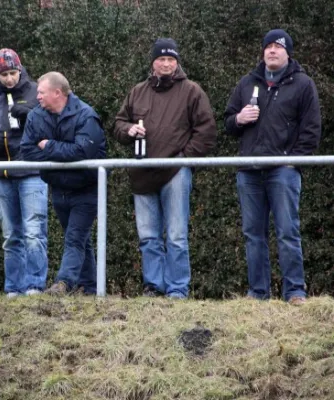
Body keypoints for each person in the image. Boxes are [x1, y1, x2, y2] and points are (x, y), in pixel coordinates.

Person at [112, 38, 217, 299]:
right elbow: (118, 124)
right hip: (142, 173)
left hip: (175, 172)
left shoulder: (192, 91)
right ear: (153, 63)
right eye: (162, 59)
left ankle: (177, 290)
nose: (167, 64)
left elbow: (206, 131)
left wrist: (183, 158)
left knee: (177, 235)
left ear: (177, 62)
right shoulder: (137, 91)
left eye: (171, 59)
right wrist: (129, 130)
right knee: (148, 237)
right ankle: (153, 287)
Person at [224, 29, 321, 305]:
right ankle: (258, 294)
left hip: (283, 171)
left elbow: (312, 129)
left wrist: (293, 161)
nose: (272, 51)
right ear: (263, 52)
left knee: (287, 231)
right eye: (268, 47)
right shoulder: (246, 83)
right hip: (249, 171)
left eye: (278, 47)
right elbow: (228, 122)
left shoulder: (303, 84)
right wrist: (239, 118)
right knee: (253, 235)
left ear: (288, 52)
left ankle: (294, 292)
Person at [0, 49, 48, 298]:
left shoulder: (37, 92)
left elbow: (55, 125)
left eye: (13, 73)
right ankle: (13, 288)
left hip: (33, 172)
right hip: (1, 175)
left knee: (34, 232)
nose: (10, 79)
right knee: (11, 236)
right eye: (4, 74)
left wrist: (33, 116)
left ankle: (35, 286)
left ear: (21, 69)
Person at [21, 71, 106, 295]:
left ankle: (64, 283)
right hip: (58, 188)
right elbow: (27, 152)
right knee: (79, 238)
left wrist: (49, 147)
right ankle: (89, 287)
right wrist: (61, 154)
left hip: (85, 188)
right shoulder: (35, 116)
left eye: (41, 92)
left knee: (74, 237)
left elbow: (82, 151)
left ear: (57, 93)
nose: (37, 96)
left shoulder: (86, 116)